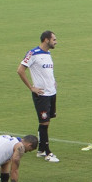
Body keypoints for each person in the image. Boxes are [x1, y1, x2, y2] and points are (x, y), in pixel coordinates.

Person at [17, 30, 59, 162]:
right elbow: (20, 70)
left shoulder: (48, 53)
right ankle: (47, 153)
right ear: (46, 40)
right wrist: (31, 87)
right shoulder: (33, 53)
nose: (56, 42)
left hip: (51, 92)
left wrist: (53, 82)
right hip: (42, 95)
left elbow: (46, 72)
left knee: (47, 121)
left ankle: (40, 150)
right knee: (44, 122)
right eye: (54, 39)